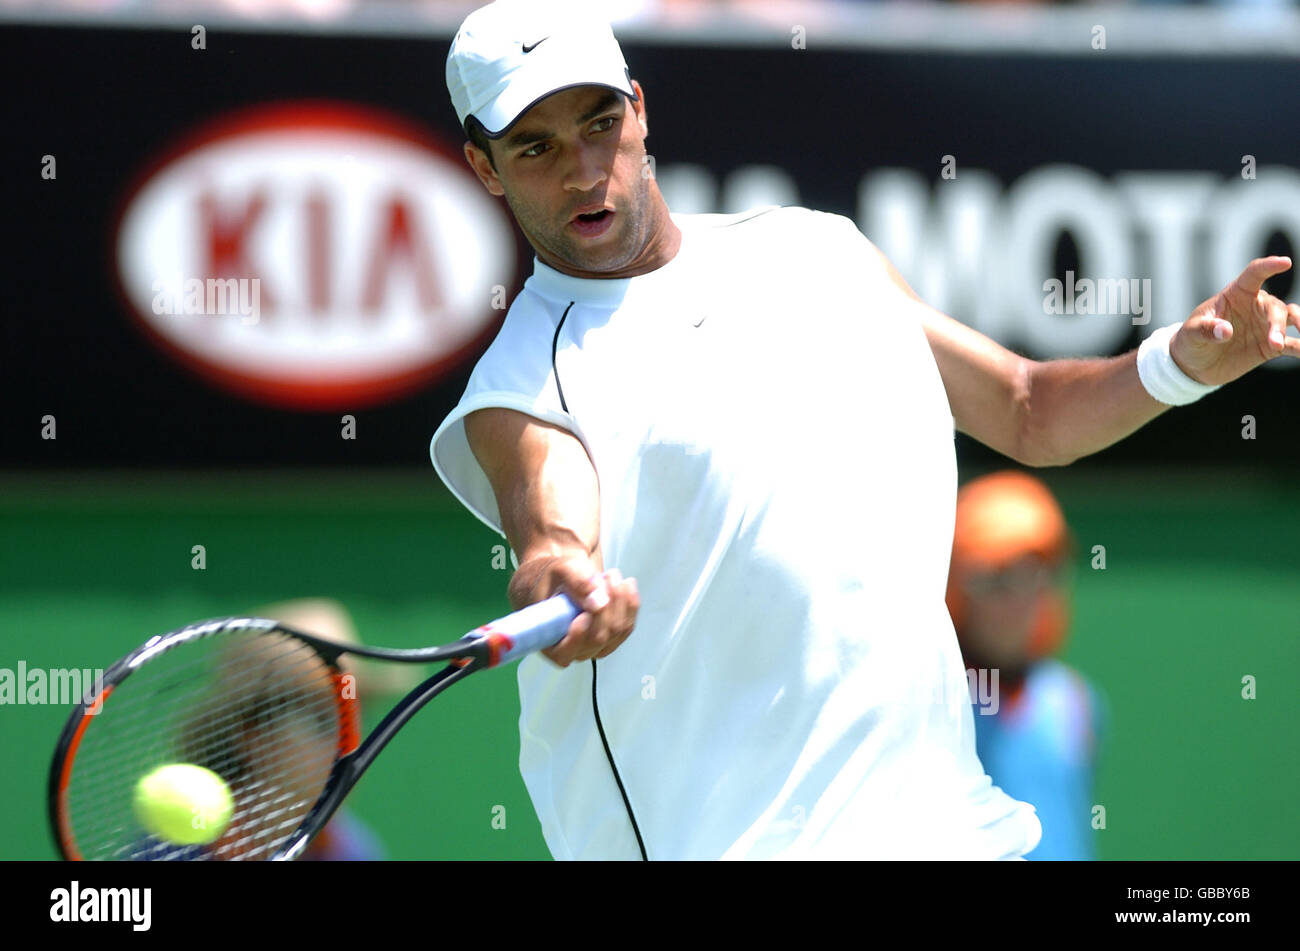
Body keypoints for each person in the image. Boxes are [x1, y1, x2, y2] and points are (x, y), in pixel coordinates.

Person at [429, 0, 1300, 860]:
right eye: (536, 148)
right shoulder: (522, 388)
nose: (584, 171)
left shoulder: (819, 251)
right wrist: (560, 575)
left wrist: (1179, 362)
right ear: (485, 167)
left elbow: (1028, 408)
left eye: (599, 124)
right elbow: (551, 532)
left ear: (640, 109)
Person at [946, 471, 1103, 861]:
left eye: (1034, 575)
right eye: (996, 578)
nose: (1018, 600)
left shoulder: (1075, 700)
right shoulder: (935, 702)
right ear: (957, 586)